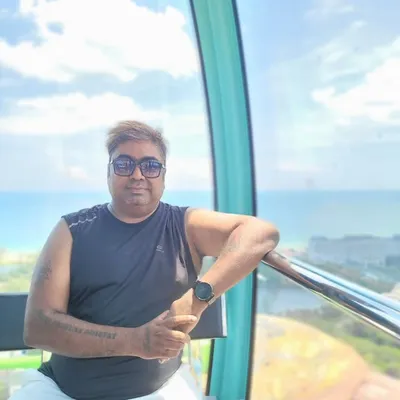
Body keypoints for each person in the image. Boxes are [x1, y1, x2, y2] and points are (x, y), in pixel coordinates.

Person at [9, 120, 280, 400]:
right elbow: (38, 327)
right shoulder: (71, 230)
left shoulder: (184, 226)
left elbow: (261, 234)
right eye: (124, 164)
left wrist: (196, 299)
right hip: (63, 392)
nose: (137, 175)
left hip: (160, 390)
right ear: (109, 172)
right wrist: (136, 341)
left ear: (163, 175)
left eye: (150, 166)